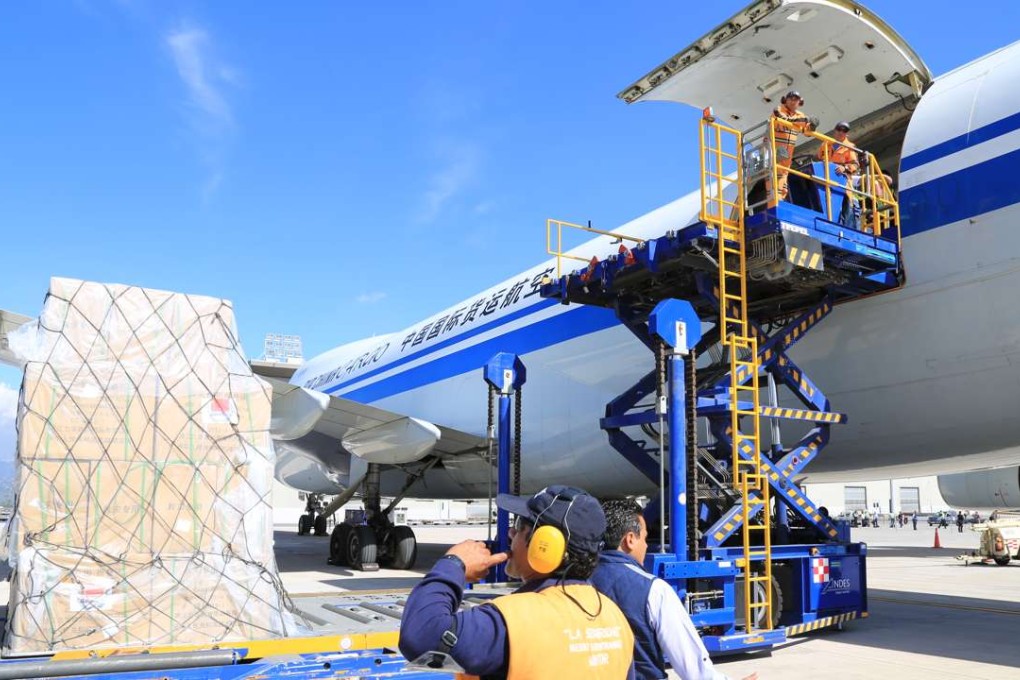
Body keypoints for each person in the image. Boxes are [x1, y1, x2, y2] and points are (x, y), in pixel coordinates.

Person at [398, 486, 635, 679]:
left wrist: (453, 565)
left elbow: (421, 637)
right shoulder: (615, 618)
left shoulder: (514, 619)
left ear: (544, 545)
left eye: (518, 528)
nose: (510, 534)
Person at [592, 500, 756, 680]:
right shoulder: (652, 590)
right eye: (645, 538)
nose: (646, 546)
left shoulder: (574, 583)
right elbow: (694, 668)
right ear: (630, 540)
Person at [769, 90, 816, 205]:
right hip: (774, 149)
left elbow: (807, 132)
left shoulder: (800, 115)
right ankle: (773, 205)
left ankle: (779, 203)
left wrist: (813, 125)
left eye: (796, 99)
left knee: (784, 182)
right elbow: (784, 119)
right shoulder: (778, 109)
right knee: (773, 178)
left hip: (787, 154)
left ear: (800, 102)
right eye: (790, 99)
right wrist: (801, 121)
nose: (792, 101)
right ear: (786, 100)